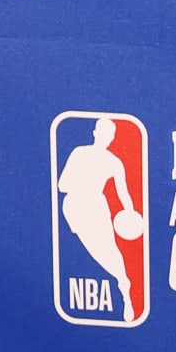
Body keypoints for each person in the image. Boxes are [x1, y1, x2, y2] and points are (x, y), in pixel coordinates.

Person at [57, 117, 141, 322]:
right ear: (95, 133)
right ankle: (123, 281)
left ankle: (125, 287)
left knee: (109, 250)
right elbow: (61, 185)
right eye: (103, 132)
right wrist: (83, 182)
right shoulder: (79, 153)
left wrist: (130, 213)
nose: (106, 137)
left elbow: (124, 193)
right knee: (95, 251)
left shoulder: (114, 162)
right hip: (75, 207)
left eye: (109, 134)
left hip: (96, 207)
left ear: (112, 138)